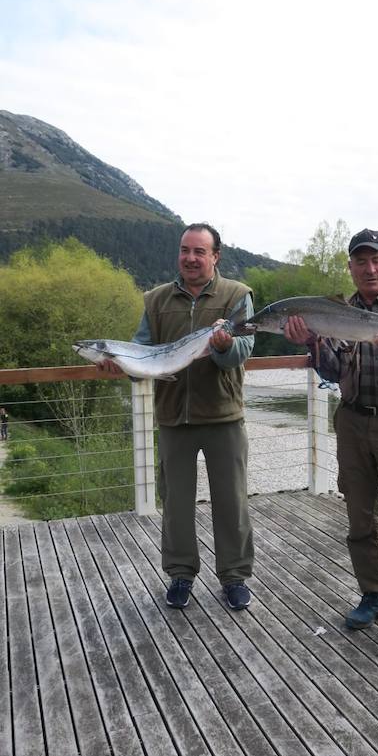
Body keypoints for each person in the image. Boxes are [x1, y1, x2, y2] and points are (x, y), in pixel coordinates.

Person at [285, 228, 378, 651]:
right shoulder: (336, 309)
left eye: (376, 260)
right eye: (361, 261)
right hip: (352, 421)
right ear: (351, 267)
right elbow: (332, 371)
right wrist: (313, 341)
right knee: (360, 519)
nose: (370, 268)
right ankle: (374, 595)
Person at [97, 223, 255, 611]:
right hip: (173, 419)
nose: (190, 258)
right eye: (185, 250)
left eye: (200, 251)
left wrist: (222, 347)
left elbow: (244, 351)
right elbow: (142, 353)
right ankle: (180, 574)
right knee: (176, 503)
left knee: (231, 503)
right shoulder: (155, 299)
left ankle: (234, 577)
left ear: (216, 256)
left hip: (224, 418)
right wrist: (120, 363)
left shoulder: (238, 296)